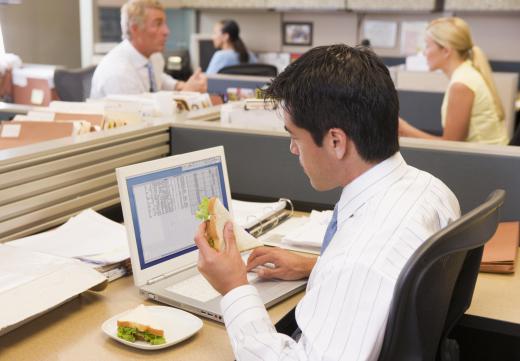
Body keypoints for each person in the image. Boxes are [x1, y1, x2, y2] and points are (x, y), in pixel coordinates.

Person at [194, 44, 460, 360]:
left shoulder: (358, 262)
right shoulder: (432, 190)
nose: (293, 150)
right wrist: (316, 266)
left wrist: (234, 286)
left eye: (295, 137)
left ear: (335, 141)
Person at [399, 17, 508, 145]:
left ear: (446, 51)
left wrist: (404, 128)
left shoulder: (461, 84)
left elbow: (450, 146)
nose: (424, 53)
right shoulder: (467, 73)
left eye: (427, 46)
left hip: (485, 162)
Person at [90, 0, 207, 99]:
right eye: (158, 24)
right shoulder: (119, 72)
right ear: (135, 29)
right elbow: (141, 119)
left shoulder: (153, 56)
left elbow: (158, 78)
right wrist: (184, 95)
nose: (166, 31)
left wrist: (179, 86)